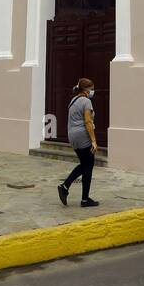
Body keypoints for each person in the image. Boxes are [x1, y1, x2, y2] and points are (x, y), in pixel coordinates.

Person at [57, 78, 99, 207]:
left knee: (85, 164)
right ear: (86, 90)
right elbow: (87, 122)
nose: (92, 91)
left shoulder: (73, 100)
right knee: (88, 164)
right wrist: (93, 141)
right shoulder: (86, 101)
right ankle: (82, 198)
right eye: (91, 89)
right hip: (83, 136)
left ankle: (67, 188)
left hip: (72, 135)